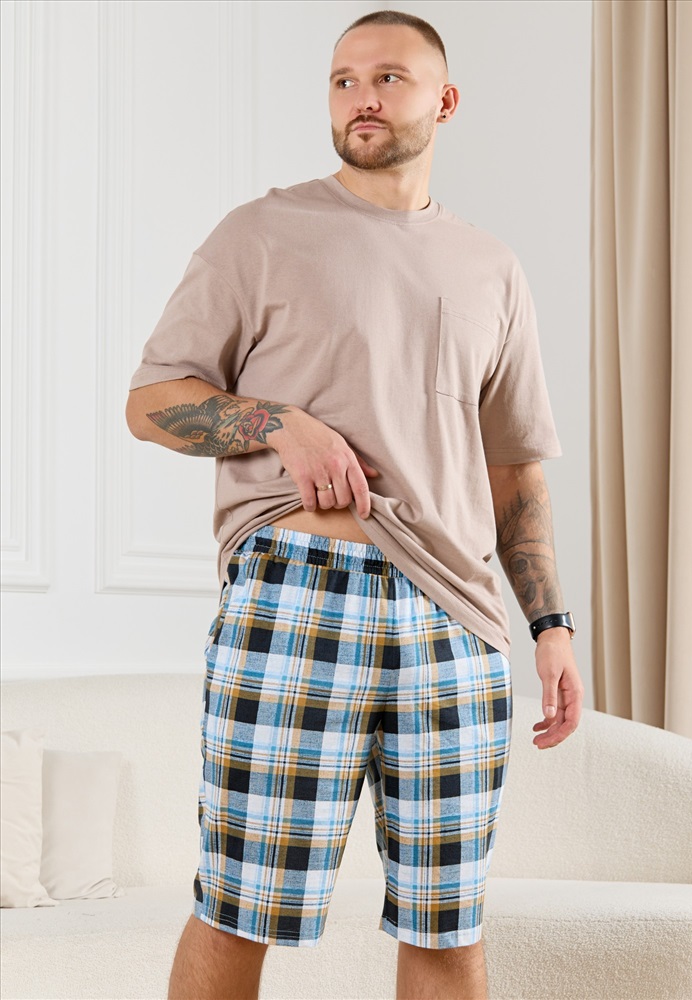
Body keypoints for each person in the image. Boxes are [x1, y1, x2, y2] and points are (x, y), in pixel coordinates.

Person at [126, 9, 584, 1000]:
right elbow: (151, 402)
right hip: (296, 595)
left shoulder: (492, 268)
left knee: (448, 927)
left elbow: (514, 468)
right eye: (343, 80)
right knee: (238, 909)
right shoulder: (259, 233)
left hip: (456, 622)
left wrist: (550, 625)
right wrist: (277, 423)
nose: (361, 97)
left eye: (387, 78)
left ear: (444, 102)